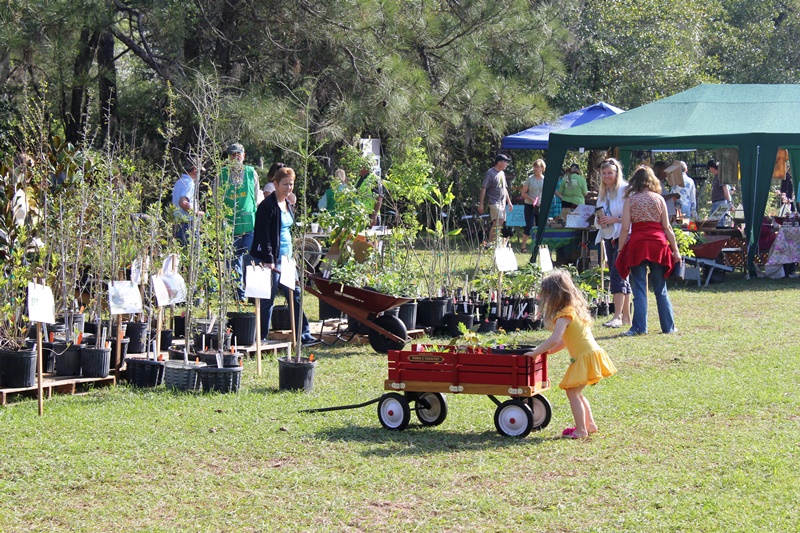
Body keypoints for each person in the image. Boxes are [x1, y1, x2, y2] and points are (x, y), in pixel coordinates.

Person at [524, 269, 617, 439]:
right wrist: (550, 351)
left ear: (554, 296)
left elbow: (554, 338)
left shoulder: (564, 315)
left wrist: (535, 352)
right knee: (576, 392)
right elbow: (565, 341)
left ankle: (581, 430)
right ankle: (589, 425)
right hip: (590, 354)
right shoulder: (574, 310)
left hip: (585, 357)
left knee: (573, 393)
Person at [249, 167, 320, 346]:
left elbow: (287, 230)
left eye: (291, 184)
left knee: (295, 295)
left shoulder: (288, 204)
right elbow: (263, 234)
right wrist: (268, 260)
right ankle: (261, 338)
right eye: (285, 184)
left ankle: (303, 335)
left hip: (287, 259)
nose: (289, 188)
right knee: (267, 299)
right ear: (275, 184)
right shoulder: (267, 206)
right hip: (269, 259)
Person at [615, 165, 681, 336]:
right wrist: (675, 250)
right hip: (658, 244)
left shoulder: (631, 201)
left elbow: (624, 229)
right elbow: (667, 227)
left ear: (634, 182)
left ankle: (639, 328)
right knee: (661, 288)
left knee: (639, 288)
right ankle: (669, 327)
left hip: (638, 245)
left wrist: (621, 249)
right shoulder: (659, 200)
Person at [220, 143, 261, 301]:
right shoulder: (222, 174)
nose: (235, 156)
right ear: (228, 157)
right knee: (233, 262)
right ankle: (238, 296)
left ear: (243, 156)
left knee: (252, 259)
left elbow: (257, 197)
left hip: (250, 224)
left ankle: (254, 294)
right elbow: (217, 200)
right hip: (230, 226)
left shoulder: (251, 173)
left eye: (239, 154)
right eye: (232, 154)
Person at [594, 158, 631, 328]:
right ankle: (625, 317)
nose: (607, 176)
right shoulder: (603, 193)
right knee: (620, 274)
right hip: (608, 235)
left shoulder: (624, 190)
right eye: (604, 173)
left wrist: (614, 219)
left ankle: (616, 316)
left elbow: (631, 216)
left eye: (610, 173)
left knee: (618, 274)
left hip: (622, 235)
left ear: (617, 173)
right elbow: (598, 214)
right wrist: (600, 220)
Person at [478, 154, 513, 244]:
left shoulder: (502, 173)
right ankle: (490, 243)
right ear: (499, 163)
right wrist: (481, 204)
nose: (506, 164)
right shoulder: (490, 173)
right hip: (493, 201)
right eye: (505, 162)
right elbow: (484, 188)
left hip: (502, 202)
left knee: (500, 223)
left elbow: (505, 189)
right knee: (497, 221)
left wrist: (509, 202)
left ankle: (495, 242)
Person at [172, 159, 204, 246]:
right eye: (200, 171)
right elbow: (183, 203)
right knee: (194, 253)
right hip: (188, 225)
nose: (200, 173)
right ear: (194, 169)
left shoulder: (179, 182)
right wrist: (198, 213)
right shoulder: (189, 183)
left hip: (178, 224)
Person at [520, 159, 545, 253]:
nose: (535, 168)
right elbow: (523, 193)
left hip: (540, 206)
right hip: (529, 205)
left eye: (537, 166)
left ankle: (538, 247)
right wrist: (532, 200)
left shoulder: (545, 179)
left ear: (542, 168)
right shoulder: (530, 179)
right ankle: (523, 246)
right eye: (534, 166)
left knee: (540, 226)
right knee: (529, 226)